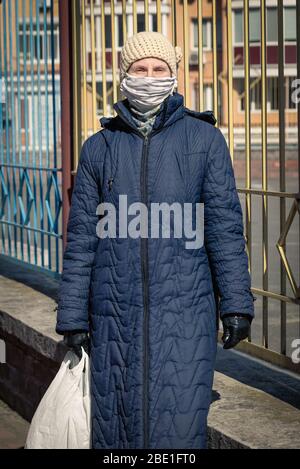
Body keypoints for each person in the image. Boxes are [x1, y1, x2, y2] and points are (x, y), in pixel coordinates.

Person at [56, 31, 255, 449]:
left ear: (174, 75)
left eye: (158, 69)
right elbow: (81, 242)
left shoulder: (204, 142)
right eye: (139, 69)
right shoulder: (99, 148)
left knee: (179, 430)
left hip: (185, 313)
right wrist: (72, 315)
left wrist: (237, 303)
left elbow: (223, 227)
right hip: (113, 316)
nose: (149, 77)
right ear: (124, 76)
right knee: (116, 430)